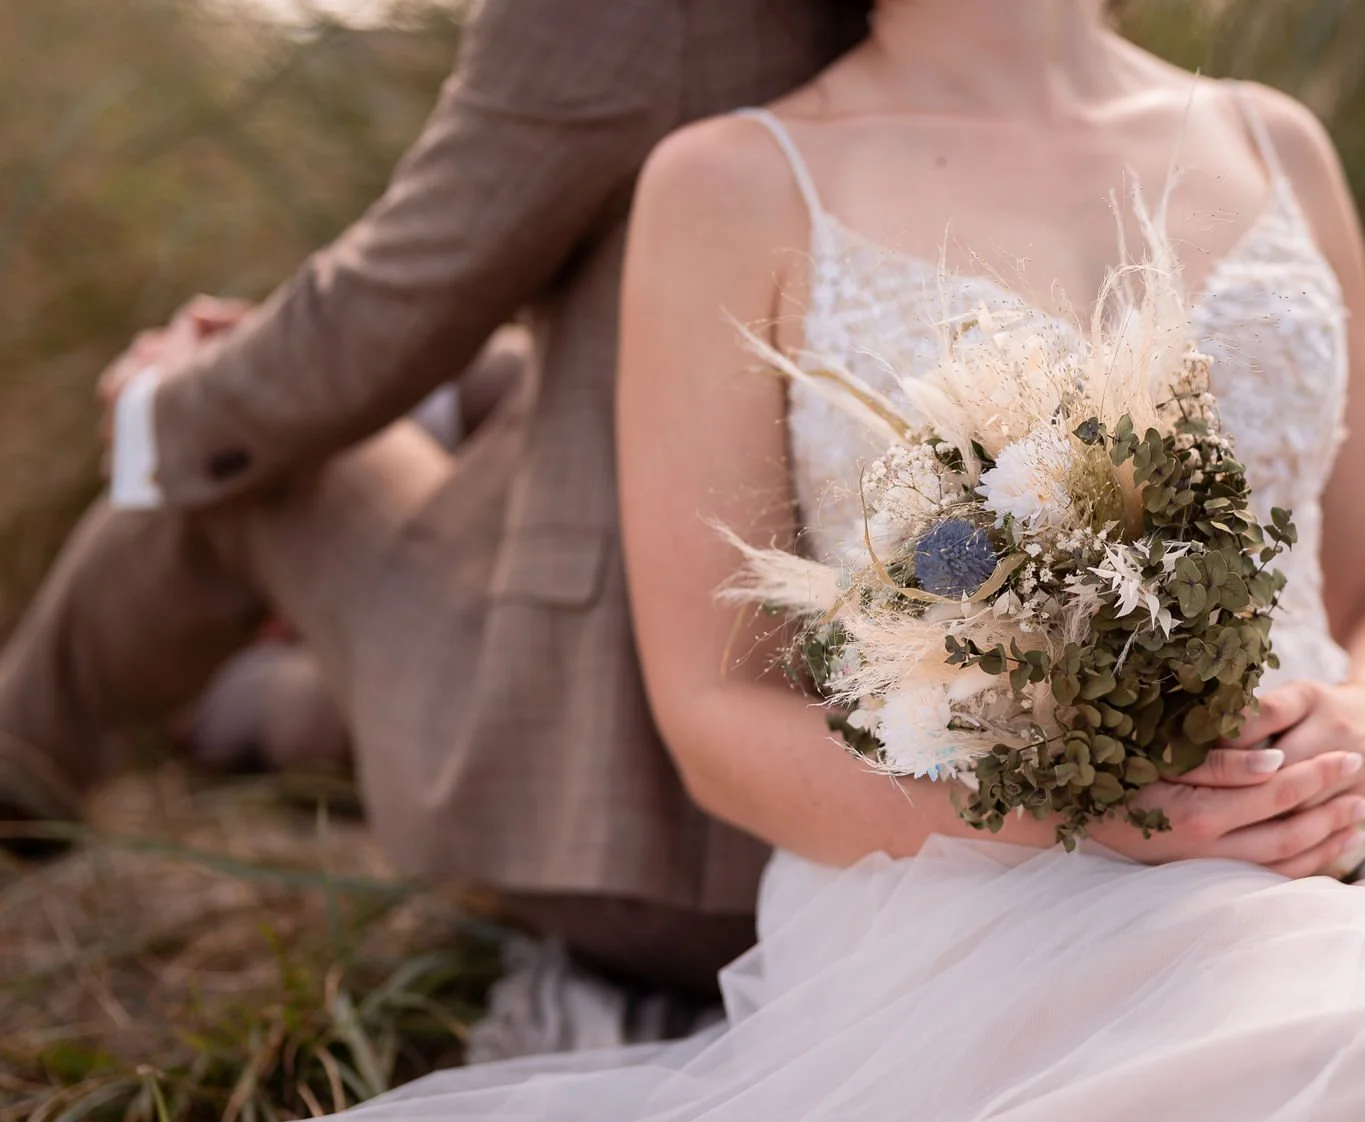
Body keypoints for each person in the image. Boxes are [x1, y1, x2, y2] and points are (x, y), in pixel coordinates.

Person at [67, 2, 1365, 1122]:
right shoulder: (730, 179)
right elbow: (714, 710)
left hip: (1333, 834)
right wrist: (1059, 801)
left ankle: (257, 699)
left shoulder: (1269, 137)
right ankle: (135, 712)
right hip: (975, 880)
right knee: (1299, 1102)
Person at [0, 0, 868, 993]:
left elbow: (400, 299)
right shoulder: (991, 56)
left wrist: (165, 402)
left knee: (248, 473)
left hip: (642, 838)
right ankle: (243, 711)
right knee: (352, 447)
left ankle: (17, 772)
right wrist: (430, 388)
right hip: (889, 833)